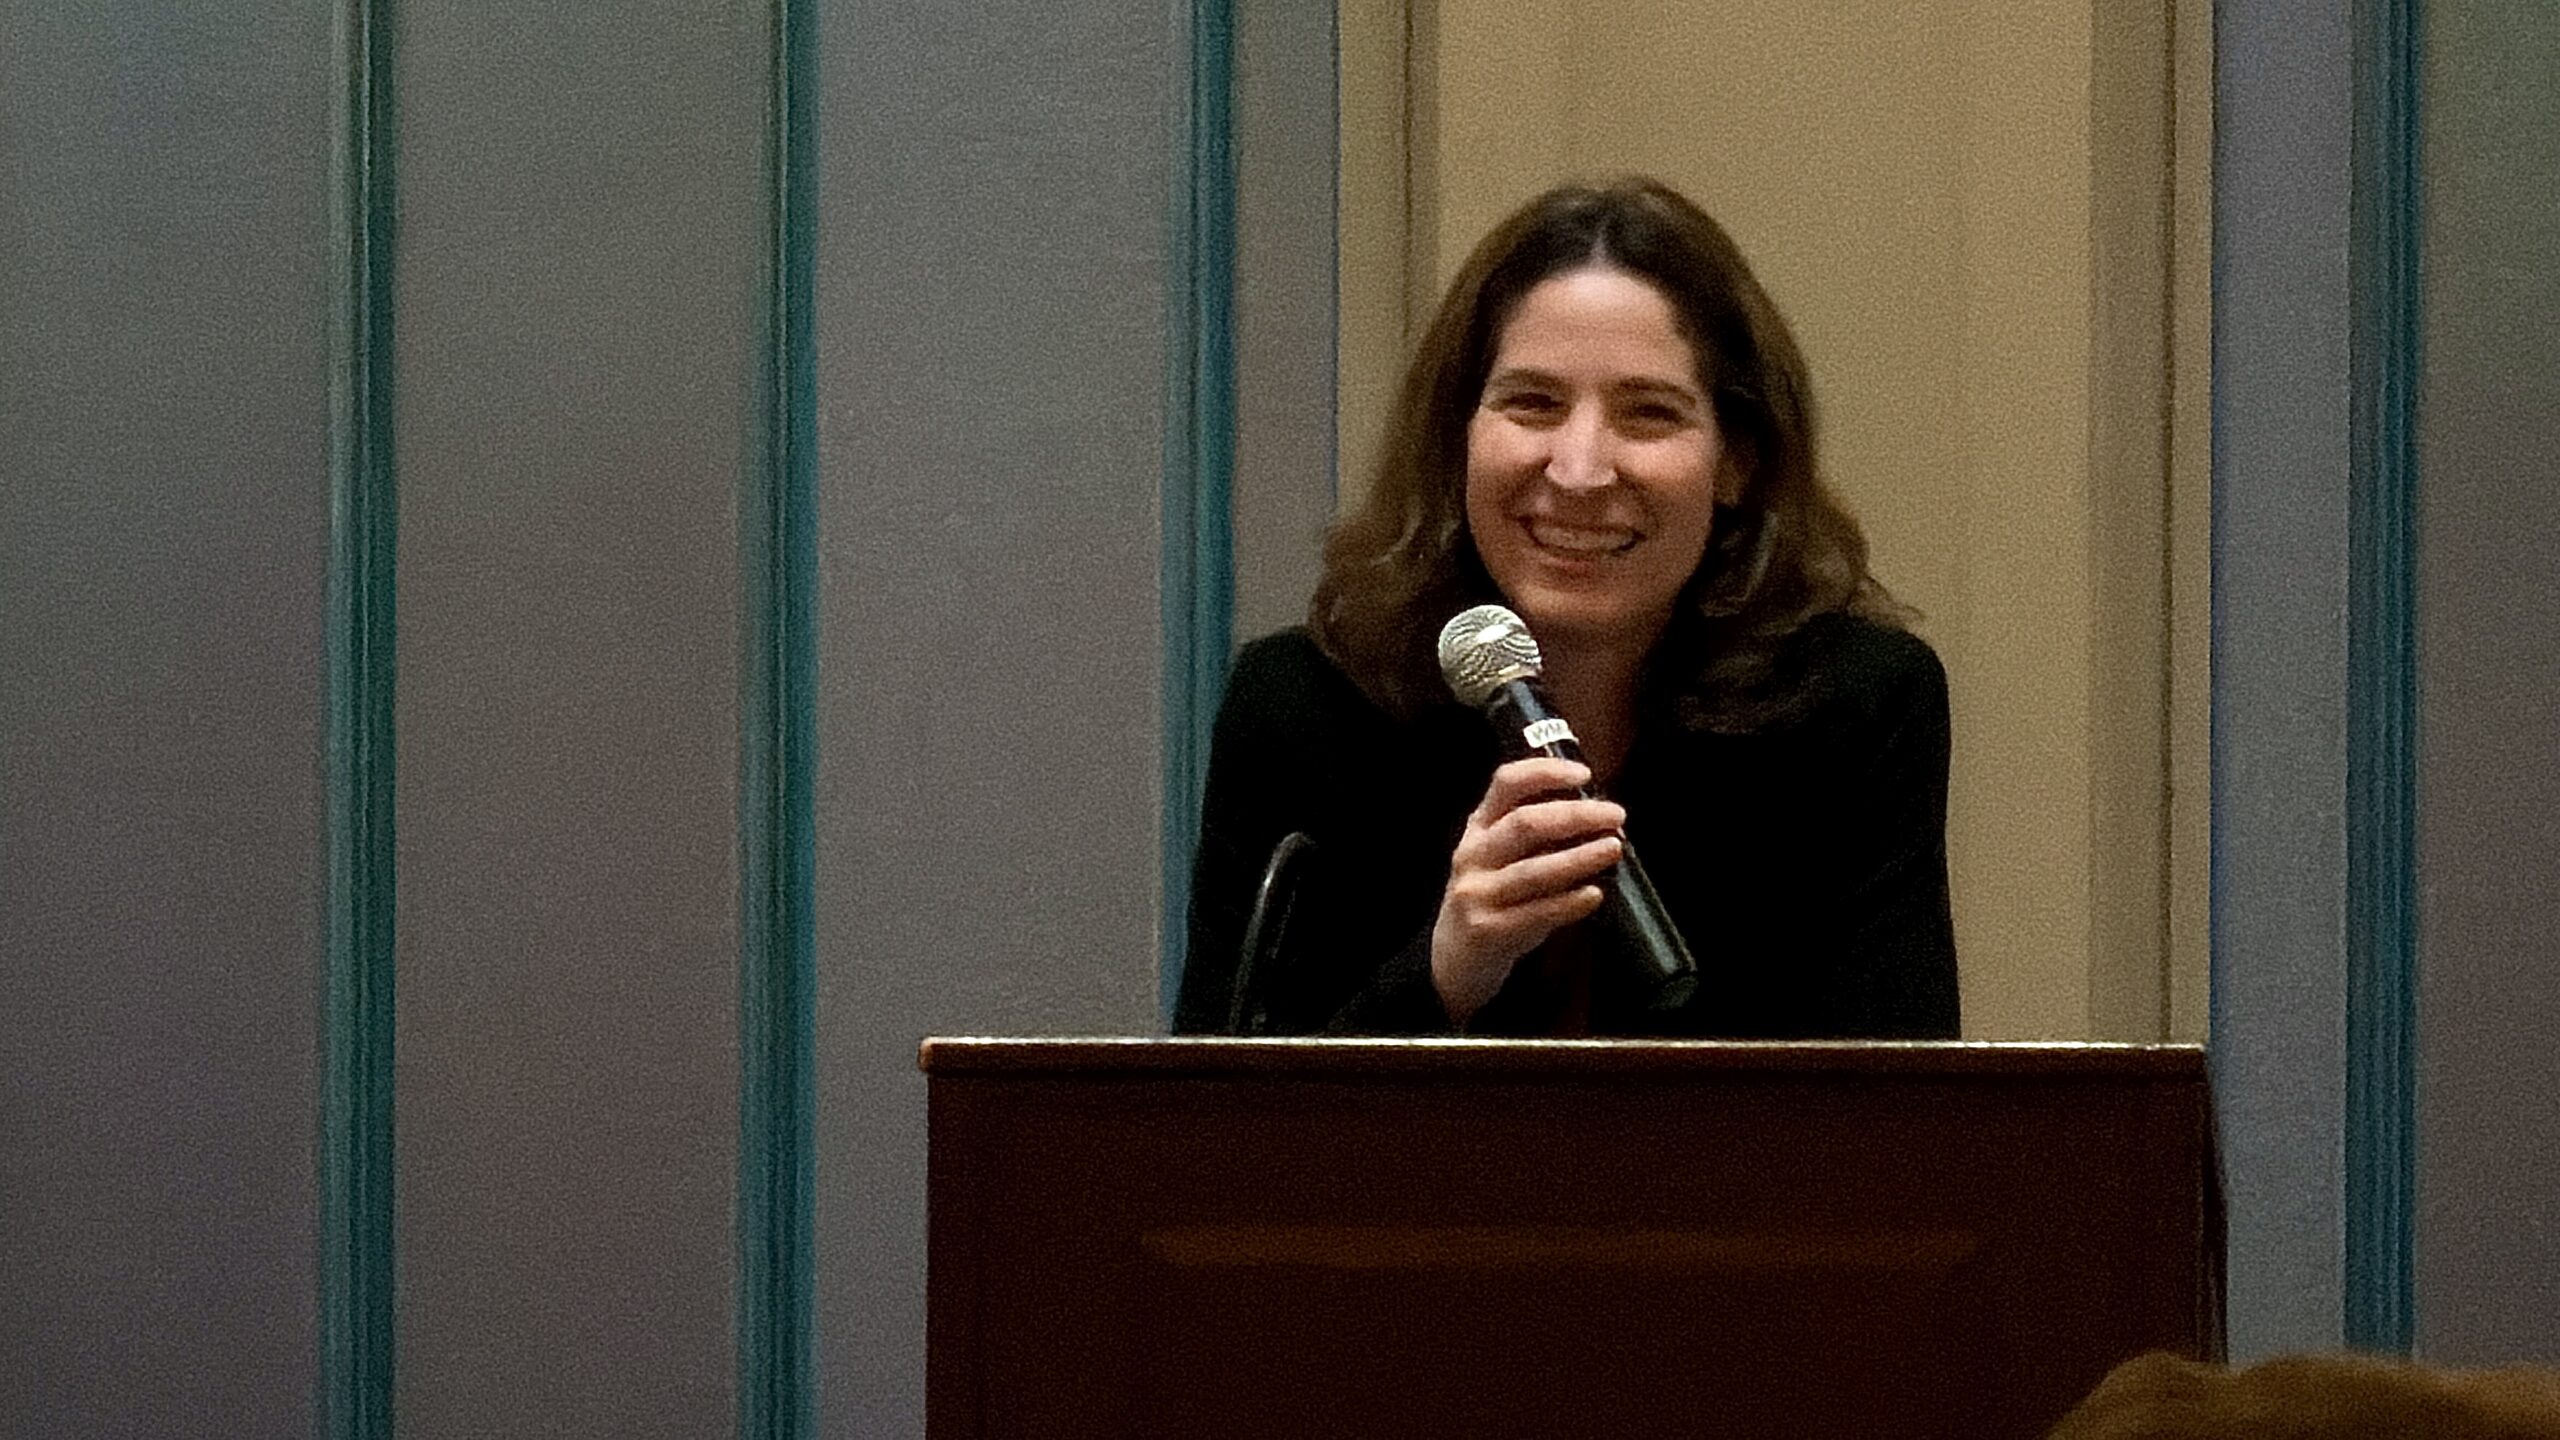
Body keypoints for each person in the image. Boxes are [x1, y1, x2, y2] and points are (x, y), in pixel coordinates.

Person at [1176, 177, 1958, 1038]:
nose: (1580, 470)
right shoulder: (1300, 711)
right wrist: (1447, 972)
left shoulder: (1856, 710)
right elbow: (1216, 1137)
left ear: (1735, 459)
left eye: (1648, 415)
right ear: (1460, 436)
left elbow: (1897, 1122)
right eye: (1532, 404)